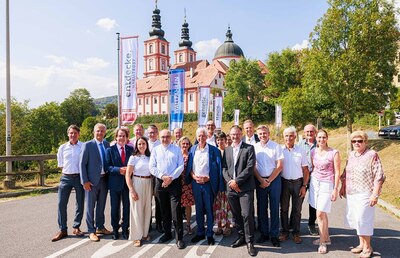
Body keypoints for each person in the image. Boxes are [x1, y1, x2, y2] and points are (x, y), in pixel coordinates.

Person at [339, 131, 385, 258]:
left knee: (363, 219)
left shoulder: (372, 155)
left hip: (366, 192)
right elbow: (345, 173)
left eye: (360, 141)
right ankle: (361, 244)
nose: (356, 143)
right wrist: (342, 187)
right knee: (356, 219)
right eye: (354, 141)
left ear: (365, 142)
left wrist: (375, 194)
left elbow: (379, 176)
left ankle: (367, 247)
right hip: (352, 192)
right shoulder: (351, 155)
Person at [222, 125, 257, 256]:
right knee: (236, 215)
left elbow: (249, 167)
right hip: (231, 188)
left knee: (247, 214)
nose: (235, 137)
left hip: (245, 188)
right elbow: (224, 168)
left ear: (241, 134)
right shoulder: (227, 150)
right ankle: (241, 236)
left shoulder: (249, 148)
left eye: (237, 134)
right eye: (232, 135)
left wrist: (237, 181)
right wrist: (231, 182)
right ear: (230, 136)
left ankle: (250, 242)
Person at [149, 129, 186, 249]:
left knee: (176, 211)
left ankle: (179, 238)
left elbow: (180, 165)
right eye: (163, 137)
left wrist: (171, 178)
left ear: (171, 137)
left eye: (167, 136)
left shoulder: (176, 149)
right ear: (160, 138)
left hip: (174, 183)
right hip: (160, 183)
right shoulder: (155, 150)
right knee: (164, 210)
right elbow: (152, 166)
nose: (165, 139)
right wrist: (163, 177)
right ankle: (167, 233)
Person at [186, 127, 222, 246]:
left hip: (208, 184)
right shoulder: (192, 150)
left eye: (203, 135)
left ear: (207, 137)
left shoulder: (213, 150)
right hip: (196, 184)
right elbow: (190, 167)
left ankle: (210, 234)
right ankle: (200, 232)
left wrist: (209, 178)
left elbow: (218, 169)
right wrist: (193, 176)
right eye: (199, 136)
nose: (201, 138)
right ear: (196, 137)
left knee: (209, 209)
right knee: (199, 209)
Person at [308, 129, 340, 254]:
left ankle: (322, 243)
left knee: (320, 214)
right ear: (316, 138)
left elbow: (337, 171)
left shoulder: (334, 152)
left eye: (324, 137)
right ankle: (326, 238)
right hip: (315, 183)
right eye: (319, 137)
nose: (321, 140)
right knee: (322, 213)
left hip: (327, 184)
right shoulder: (313, 152)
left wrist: (335, 189)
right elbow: (313, 168)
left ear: (327, 138)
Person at [51, 125, 85, 242]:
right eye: (71, 133)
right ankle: (62, 229)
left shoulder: (83, 146)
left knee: (80, 203)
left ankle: (76, 227)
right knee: (61, 203)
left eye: (75, 133)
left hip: (79, 177)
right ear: (68, 134)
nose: (73, 135)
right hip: (66, 177)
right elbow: (61, 164)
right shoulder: (62, 147)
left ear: (78, 134)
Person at [80, 123, 112, 242]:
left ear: (105, 132)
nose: (100, 133)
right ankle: (91, 231)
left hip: (104, 180)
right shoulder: (87, 145)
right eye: (98, 131)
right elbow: (82, 164)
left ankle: (100, 227)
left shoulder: (107, 144)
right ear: (94, 132)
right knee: (90, 207)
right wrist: (85, 181)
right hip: (91, 182)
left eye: (102, 131)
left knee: (101, 205)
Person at [253, 125, 283, 247]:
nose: (262, 136)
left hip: (274, 180)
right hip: (260, 180)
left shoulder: (276, 146)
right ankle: (264, 233)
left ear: (269, 133)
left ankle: (274, 235)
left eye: (264, 133)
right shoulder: (254, 147)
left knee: (274, 207)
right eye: (260, 134)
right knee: (262, 208)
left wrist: (269, 180)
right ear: (258, 135)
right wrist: (261, 180)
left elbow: (280, 166)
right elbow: (253, 166)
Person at [279, 126, 309, 244]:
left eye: (291, 135)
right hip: (284, 183)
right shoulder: (280, 150)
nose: (289, 138)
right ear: (283, 137)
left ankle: (296, 232)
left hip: (298, 183)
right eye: (286, 135)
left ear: (295, 137)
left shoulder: (300, 150)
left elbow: (306, 170)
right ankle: (285, 231)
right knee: (284, 209)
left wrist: (304, 186)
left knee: (297, 210)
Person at [106, 128, 134, 240]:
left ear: (127, 138)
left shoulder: (131, 150)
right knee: (115, 208)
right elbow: (107, 167)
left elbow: (135, 164)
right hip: (115, 183)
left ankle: (125, 228)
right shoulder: (110, 150)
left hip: (128, 184)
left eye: (124, 136)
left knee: (127, 207)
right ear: (116, 137)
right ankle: (115, 229)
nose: (121, 138)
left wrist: (129, 169)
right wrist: (119, 170)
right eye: (119, 136)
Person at [125, 136, 153, 247]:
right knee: (136, 209)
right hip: (137, 182)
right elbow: (128, 175)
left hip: (148, 182)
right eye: (139, 144)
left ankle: (145, 233)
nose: (141, 146)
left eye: (143, 144)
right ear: (136, 145)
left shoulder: (150, 157)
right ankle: (136, 236)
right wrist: (132, 190)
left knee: (147, 209)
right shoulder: (133, 158)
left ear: (147, 145)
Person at [298, 124, 318, 236]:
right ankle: (293, 224)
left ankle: (311, 224)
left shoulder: (319, 143)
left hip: (315, 177)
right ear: (304, 133)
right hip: (302, 176)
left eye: (311, 131)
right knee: (298, 200)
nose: (309, 134)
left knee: (313, 202)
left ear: (315, 132)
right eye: (307, 132)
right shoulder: (299, 145)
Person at [214, 132, 233, 236]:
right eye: (218, 140)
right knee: (218, 205)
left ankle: (228, 226)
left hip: (227, 182)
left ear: (225, 140)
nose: (220, 141)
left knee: (228, 205)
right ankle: (220, 225)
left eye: (221, 139)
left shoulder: (229, 151)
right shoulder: (214, 151)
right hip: (218, 182)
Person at [147, 124, 163, 233]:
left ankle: (159, 222)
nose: (152, 134)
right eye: (150, 132)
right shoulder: (144, 143)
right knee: (147, 201)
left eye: (153, 132)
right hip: (146, 177)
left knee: (158, 201)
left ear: (157, 133)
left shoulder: (161, 144)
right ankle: (147, 223)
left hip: (157, 176)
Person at [178, 136, 195, 235]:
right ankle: (178, 225)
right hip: (177, 183)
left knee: (188, 205)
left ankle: (188, 225)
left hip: (187, 184)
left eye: (187, 144)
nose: (185, 145)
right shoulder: (177, 154)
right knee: (177, 205)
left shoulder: (191, 155)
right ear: (180, 144)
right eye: (183, 143)